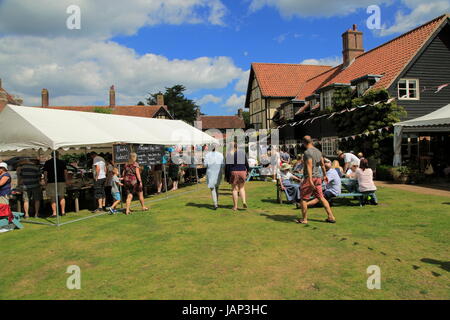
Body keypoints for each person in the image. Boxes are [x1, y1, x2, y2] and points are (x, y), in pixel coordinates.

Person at [297, 136, 336, 224]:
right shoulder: (318, 151)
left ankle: (304, 219)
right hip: (318, 178)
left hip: (310, 178)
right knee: (321, 197)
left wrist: (310, 180)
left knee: (303, 199)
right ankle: (331, 216)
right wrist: (325, 175)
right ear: (311, 141)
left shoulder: (307, 152)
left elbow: (309, 166)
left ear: (304, 143)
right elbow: (322, 164)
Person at [225, 143, 249, 211]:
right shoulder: (242, 153)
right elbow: (246, 163)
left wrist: (227, 176)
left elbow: (227, 167)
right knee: (242, 188)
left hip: (234, 172)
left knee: (234, 189)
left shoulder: (229, 154)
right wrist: (248, 170)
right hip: (242, 171)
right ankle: (244, 201)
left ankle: (235, 206)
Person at [43, 151, 68, 217]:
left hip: (51, 182)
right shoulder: (62, 162)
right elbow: (65, 172)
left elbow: (45, 173)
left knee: (53, 198)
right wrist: (66, 180)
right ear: (58, 155)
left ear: (51, 155)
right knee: (62, 197)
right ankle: (63, 212)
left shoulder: (47, 162)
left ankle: (54, 213)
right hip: (61, 181)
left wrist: (45, 181)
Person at [204, 144, 224, 210]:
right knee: (217, 188)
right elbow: (223, 165)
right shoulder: (220, 155)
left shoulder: (207, 155)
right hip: (218, 173)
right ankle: (216, 203)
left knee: (213, 189)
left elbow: (205, 165)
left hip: (211, 173)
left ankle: (215, 204)